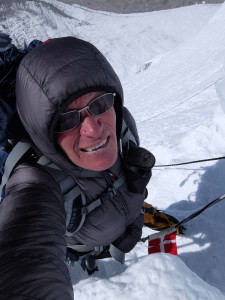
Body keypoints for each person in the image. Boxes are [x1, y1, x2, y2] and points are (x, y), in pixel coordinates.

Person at [0, 36, 155, 299]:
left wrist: (135, 218)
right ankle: (88, 261)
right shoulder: (35, 177)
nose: (93, 129)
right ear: (44, 129)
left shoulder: (122, 125)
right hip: (83, 244)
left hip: (115, 226)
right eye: (67, 119)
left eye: (99, 103)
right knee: (85, 255)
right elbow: (25, 251)